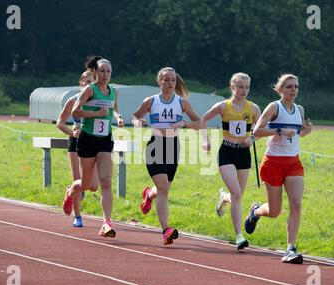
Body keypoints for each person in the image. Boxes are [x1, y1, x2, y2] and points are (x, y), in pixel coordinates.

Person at [244, 74, 313, 264]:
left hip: (293, 163)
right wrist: (279, 130)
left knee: (297, 204)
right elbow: (257, 131)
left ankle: (290, 248)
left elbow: (298, 133)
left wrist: (305, 131)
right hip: (273, 162)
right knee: (274, 211)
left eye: (296, 87)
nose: (293, 90)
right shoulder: (274, 107)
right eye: (289, 86)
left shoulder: (299, 109)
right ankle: (256, 211)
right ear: (280, 89)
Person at [132, 67, 203, 245]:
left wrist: (184, 123)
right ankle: (166, 230)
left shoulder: (181, 103)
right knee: (163, 188)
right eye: (166, 80)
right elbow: (135, 116)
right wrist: (138, 122)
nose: (170, 83)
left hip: (173, 147)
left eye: (173, 80)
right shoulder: (151, 101)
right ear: (159, 81)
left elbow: (200, 123)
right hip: (155, 145)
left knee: (163, 189)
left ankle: (148, 195)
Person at [62, 57, 124, 237]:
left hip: (105, 139)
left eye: (108, 71)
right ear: (95, 72)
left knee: (105, 182)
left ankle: (106, 223)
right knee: (88, 185)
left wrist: (118, 117)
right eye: (102, 71)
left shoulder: (113, 91)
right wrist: (95, 113)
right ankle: (71, 191)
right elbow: (75, 111)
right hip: (87, 139)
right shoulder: (90, 90)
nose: (105, 75)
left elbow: (114, 108)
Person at [201, 73, 261, 250]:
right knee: (236, 194)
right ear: (233, 87)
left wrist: (253, 137)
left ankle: (222, 197)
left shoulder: (254, 108)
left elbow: (261, 127)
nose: (244, 90)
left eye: (247, 87)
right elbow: (203, 119)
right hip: (226, 152)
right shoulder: (222, 106)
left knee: (236, 196)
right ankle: (239, 236)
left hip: (244, 154)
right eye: (240, 87)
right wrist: (205, 140)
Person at [56, 70, 99, 227]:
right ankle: (78, 216)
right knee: (78, 179)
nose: (89, 84)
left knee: (93, 186)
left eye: (92, 81)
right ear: (81, 84)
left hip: (95, 141)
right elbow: (60, 122)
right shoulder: (73, 100)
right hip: (77, 141)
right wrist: (72, 132)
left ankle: (70, 192)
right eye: (87, 82)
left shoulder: (99, 100)